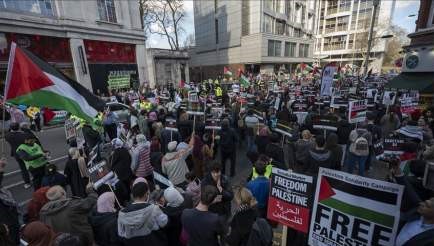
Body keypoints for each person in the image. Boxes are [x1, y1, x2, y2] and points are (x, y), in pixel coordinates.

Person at [5, 122, 31, 188]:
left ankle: (27, 183)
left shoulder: (8, 136)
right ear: (18, 127)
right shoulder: (23, 135)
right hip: (26, 152)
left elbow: (8, 133)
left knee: (23, 168)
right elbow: (31, 140)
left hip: (16, 154)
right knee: (32, 165)